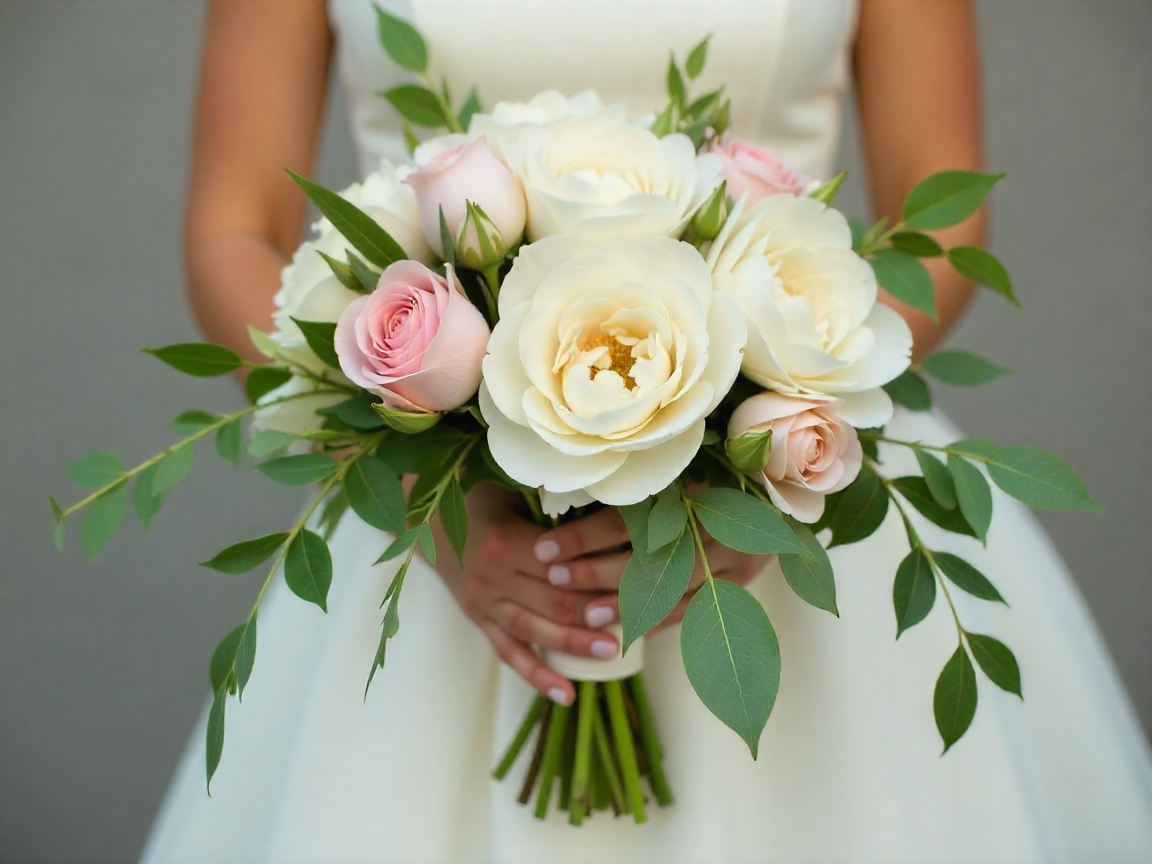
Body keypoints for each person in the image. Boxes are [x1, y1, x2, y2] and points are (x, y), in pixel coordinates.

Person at [142, 1, 1152, 861]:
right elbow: (234, 226)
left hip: (790, 462)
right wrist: (430, 505)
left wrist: (768, 446)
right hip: (440, 510)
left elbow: (942, 204)